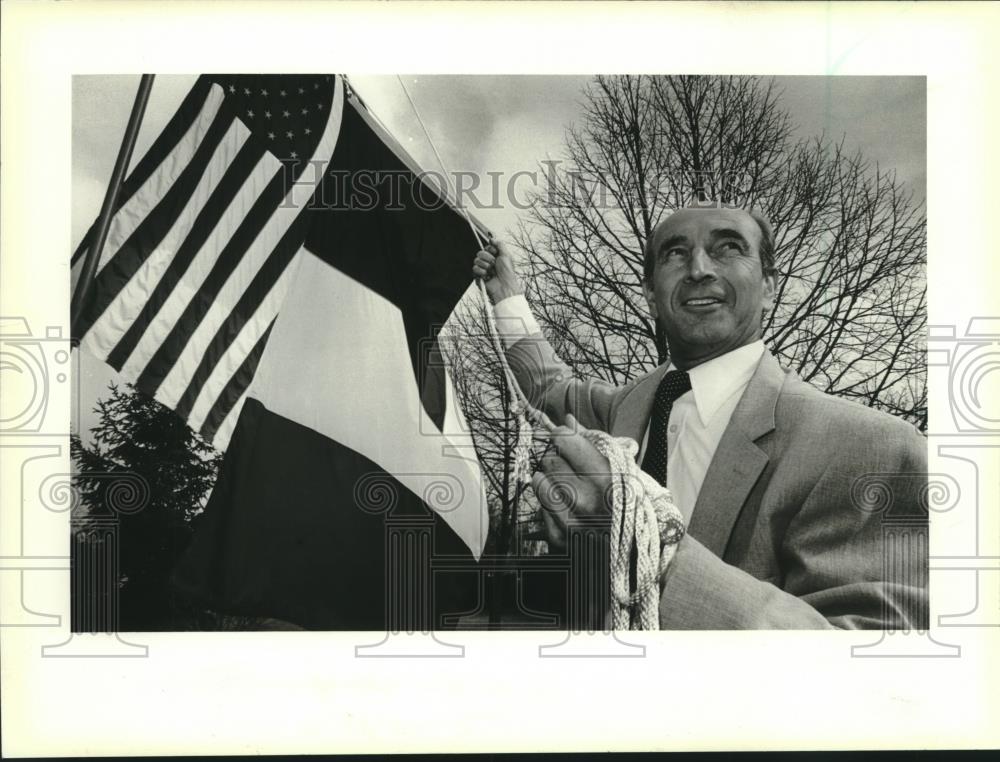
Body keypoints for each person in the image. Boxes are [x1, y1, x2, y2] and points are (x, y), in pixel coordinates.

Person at [472, 203, 928, 630]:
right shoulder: (620, 410)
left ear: (770, 284)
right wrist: (506, 294)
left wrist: (649, 551)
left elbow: (870, 671)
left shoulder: (872, 447)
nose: (699, 269)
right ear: (650, 294)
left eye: (728, 247)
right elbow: (546, 387)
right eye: (675, 253)